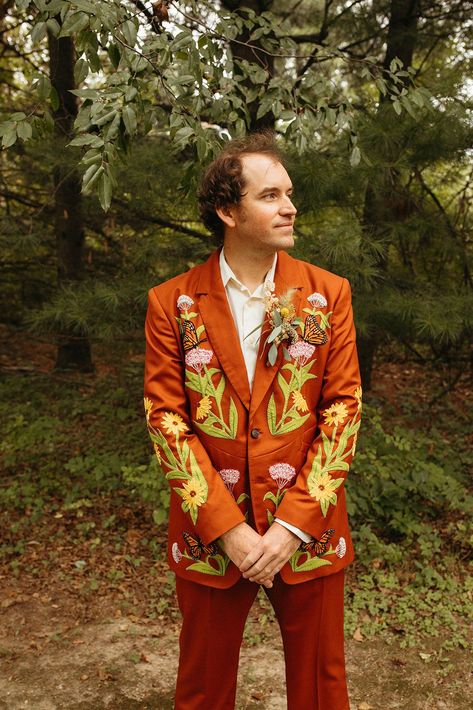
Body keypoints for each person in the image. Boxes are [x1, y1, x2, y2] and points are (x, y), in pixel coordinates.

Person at [143, 131, 362, 710]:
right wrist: (228, 528)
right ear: (227, 211)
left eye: (289, 193)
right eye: (270, 196)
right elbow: (166, 418)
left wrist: (291, 526)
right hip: (211, 533)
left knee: (321, 688)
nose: (290, 207)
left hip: (307, 531)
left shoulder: (327, 295)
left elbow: (342, 411)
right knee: (202, 690)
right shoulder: (172, 303)